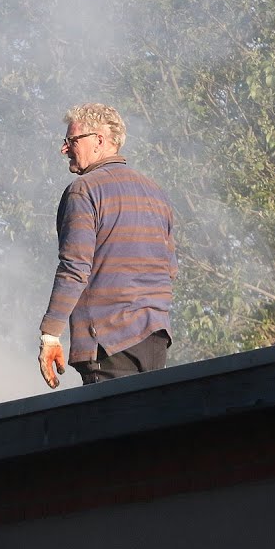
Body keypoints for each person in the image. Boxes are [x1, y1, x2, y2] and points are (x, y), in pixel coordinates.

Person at [38, 103, 176, 389]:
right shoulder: (156, 193)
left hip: (108, 341)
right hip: (155, 341)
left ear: (99, 140)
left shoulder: (84, 189)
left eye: (72, 140)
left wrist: (50, 335)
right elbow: (170, 269)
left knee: (113, 428)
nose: (65, 149)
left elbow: (75, 267)